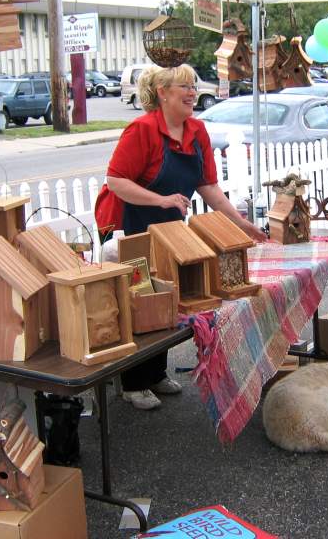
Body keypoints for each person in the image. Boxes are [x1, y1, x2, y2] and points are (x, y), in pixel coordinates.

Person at [95, 64, 266, 410]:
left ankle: (155, 373)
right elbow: (116, 181)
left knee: (169, 296)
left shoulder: (196, 131)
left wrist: (240, 223)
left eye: (193, 86)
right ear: (162, 92)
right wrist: (160, 199)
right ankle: (131, 382)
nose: (192, 92)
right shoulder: (141, 130)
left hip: (168, 223)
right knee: (140, 299)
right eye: (184, 86)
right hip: (130, 222)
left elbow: (208, 187)